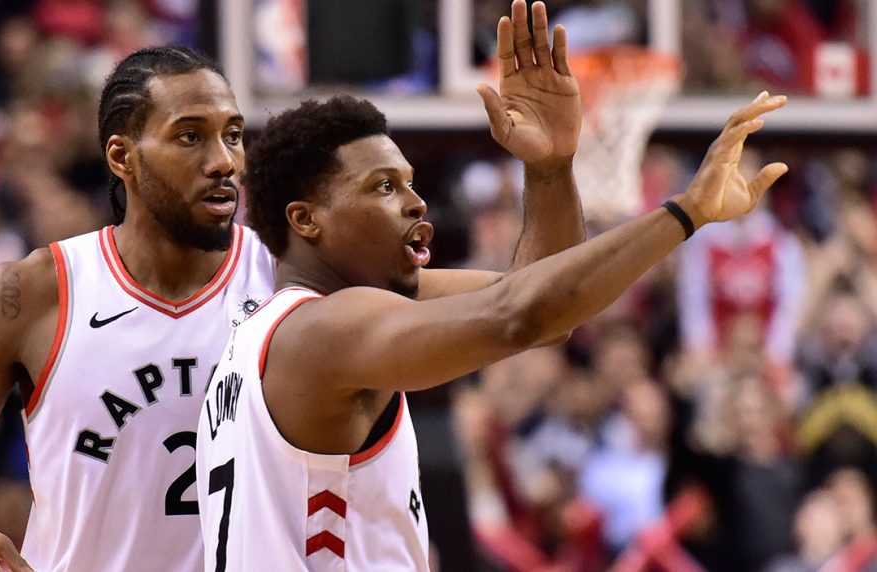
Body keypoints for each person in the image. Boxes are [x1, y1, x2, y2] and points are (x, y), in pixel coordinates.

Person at [0, 0, 589, 567]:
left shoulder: (303, 281)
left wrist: (550, 170)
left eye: (235, 134)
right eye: (190, 136)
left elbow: (536, 305)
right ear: (122, 156)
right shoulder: (37, 293)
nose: (224, 160)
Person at [195, 54, 788, 572]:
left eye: (408, 182)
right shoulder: (325, 331)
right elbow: (520, 315)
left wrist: (551, 170)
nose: (415, 201)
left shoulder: (275, 333)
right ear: (306, 220)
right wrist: (685, 212)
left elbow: (547, 308)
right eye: (382, 187)